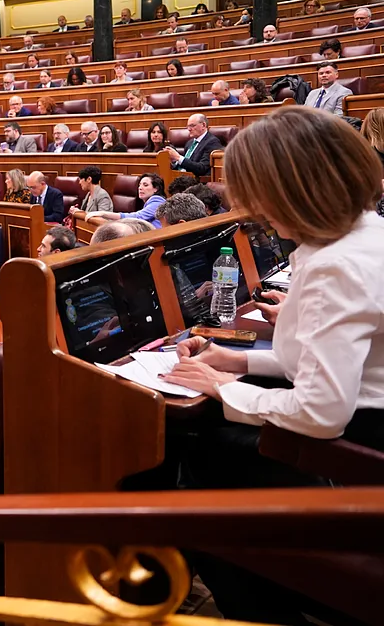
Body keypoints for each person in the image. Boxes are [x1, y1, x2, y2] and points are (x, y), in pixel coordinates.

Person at [159, 109, 384, 623]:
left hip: (354, 454)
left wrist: (221, 386)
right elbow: (320, 353)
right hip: (361, 429)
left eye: (256, 196)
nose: (252, 212)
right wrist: (236, 357)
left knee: (194, 475)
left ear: (293, 190)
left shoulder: (336, 263)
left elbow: (322, 411)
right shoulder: (356, 236)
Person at [87, 173, 167, 228]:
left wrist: (103, 213)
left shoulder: (158, 202)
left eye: (145, 185)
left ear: (156, 189)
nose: (140, 188)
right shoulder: (150, 202)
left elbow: (138, 217)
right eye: (139, 185)